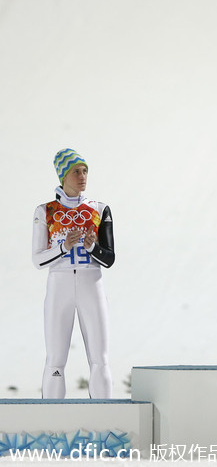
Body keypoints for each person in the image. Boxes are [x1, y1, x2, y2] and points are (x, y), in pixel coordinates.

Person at [32, 148, 115, 398]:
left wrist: (91, 246)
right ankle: (51, 426)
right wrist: (63, 246)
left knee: (100, 359)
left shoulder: (99, 209)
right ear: (63, 176)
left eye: (85, 171)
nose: (83, 176)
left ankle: (106, 425)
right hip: (60, 285)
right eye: (76, 171)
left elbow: (109, 258)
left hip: (92, 282)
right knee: (55, 360)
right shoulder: (45, 211)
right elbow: (37, 260)